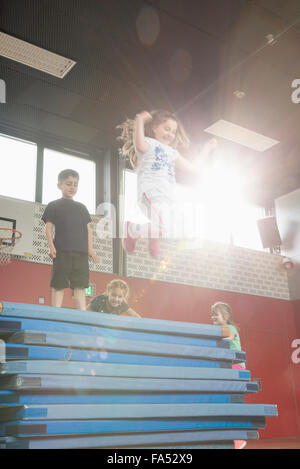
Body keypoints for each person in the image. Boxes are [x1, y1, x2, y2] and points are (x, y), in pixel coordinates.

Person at [117, 109, 217, 257]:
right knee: (164, 228)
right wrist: (140, 120)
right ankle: (132, 229)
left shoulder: (172, 152)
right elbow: (138, 144)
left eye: (173, 131)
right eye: (167, 129)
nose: (170, 134)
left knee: (181, 231)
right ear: (155, 128)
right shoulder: (149, 144)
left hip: (169, 198)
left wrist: (206, 149)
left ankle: (154, 236)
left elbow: (193, 168)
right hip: (151, 193)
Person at [42, 169, 99, 310]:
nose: (72, 187)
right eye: (68, 184)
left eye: (75, 184)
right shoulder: (54, 205)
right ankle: (56, 312)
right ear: (59, 186)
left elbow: (88, 230)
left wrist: (90, 250)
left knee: (80, 286)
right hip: (62, 251)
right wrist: (51, 246)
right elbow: (48, 227)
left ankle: (82, 315)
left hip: (81, 253)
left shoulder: (82, 208)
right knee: (59, 284)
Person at [210, 301, 247, 450]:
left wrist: (215, 339)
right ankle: (231, 436)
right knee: (226, 402)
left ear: (226, 315)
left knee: (234, 401)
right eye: (211, 314)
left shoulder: (229, 328)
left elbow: (229, 337)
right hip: (228, 368)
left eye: (216, 314)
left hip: (235, 367)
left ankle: (238, 438)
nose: (213, 317)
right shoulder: (219, 330)